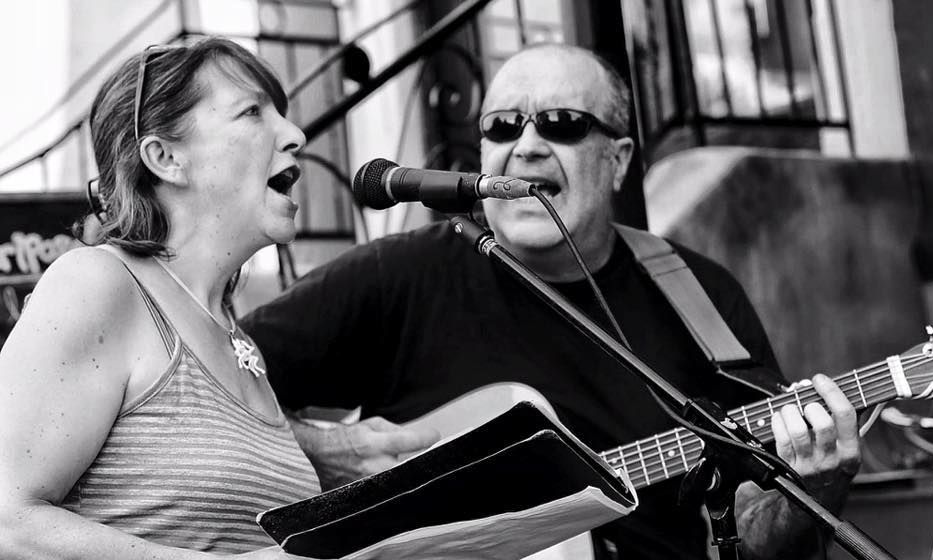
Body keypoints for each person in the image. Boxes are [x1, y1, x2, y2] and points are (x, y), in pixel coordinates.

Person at [240, 44, 861, 559]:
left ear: (618, 162)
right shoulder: (395, 275)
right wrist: (323, 450)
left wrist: (816, 487)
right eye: (502, 126)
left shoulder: (700, 294)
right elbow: (207, 381)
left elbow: (759, 540)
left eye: (562, 124)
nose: (528, 145)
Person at [0, 38, 321, 559]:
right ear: (166, 158)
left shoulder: (234, 335)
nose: (295, 134)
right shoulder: (96, 282)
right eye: (252, 112)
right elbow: (6, 522)